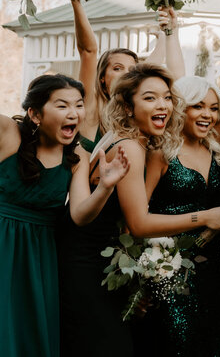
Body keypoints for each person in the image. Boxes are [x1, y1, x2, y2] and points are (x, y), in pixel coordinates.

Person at [59, 64, 220, 357]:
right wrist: (205, 217)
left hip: (96, 260)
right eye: (150, 98)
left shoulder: (131, 139)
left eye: (167, 97)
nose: (163, 105)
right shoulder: (130, 147)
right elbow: (138, 224)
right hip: (88, 264)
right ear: (128, 107)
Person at [141, 12, 220, 353]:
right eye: (198, 107)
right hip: (169, 276)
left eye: (213, 108)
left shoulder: (214, 144)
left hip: (213, 275)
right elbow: (136, 218)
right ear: (180, 109)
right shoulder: (161, 152)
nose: (208, 115)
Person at [1, 74, 128, 357]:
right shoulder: (9, 133)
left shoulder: (78, 155)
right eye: (62, 106)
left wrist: (105, 187)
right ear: (34, 113)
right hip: (2, 242)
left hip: (40, 255)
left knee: (29, 331)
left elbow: (81, 215)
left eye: (79, 105)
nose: (74, 113)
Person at [67, 0, 184, 153]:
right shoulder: (90, 107)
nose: (126, 74)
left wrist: (168, 31)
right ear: (102, 78)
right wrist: (76, 3)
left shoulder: (139, 113)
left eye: (131, 69)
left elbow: (157, 70)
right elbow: (88, 51)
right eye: (117, 68)